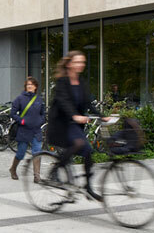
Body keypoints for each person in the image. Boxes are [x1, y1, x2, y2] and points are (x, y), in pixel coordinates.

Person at [47, 50, 109, 201]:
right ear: (69, 64)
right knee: (79, 143)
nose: (80, 65)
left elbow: (88, 104)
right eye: (77, 62)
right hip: (61, 125)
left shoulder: (82, 82)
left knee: (87, 150)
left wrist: (102, 116)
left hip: (74, 125)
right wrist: (74, 115)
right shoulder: (62, 82)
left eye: (82, 62)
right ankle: (54, 171)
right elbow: (63, 102)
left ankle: (88, 188)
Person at [9, 76, 44, 182]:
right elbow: (12, 113)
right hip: (24, 130)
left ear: (35, 87)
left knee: (37, 151)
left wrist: (40, 121)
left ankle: (37, 176)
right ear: (25, 87)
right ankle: (13, 169)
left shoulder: (39, 99)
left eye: (31, 85)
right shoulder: (20, 98)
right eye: (28, 85)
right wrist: (21, 121)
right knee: (21, 152)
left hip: (36, 130)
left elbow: (43, 114)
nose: (29, 86)